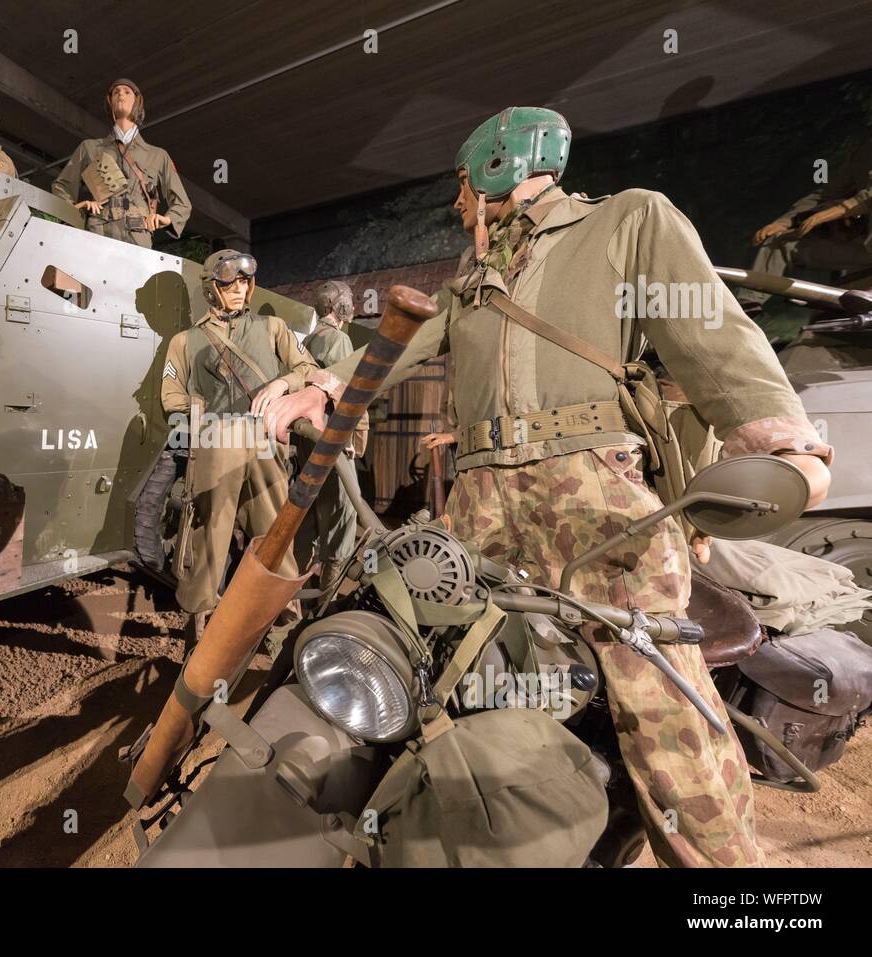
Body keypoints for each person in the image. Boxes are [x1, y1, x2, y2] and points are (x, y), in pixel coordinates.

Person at [265, 107, 833, 868]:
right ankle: (476, 827)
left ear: (496, 165)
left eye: (464, 188)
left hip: (593, 500)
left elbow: (712, 332)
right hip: (476, 510)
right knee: (461, 678)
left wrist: (779, 436)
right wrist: (326, 386)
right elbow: (397, 348)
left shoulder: (627, 221)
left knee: (658, 705)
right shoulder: (473, 280)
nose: (460, 205)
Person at [160, 250, 331, 640]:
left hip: (264, 440)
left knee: (275, 531)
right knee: (208, 534)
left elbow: (309, 370)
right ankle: (200, 624)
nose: (238, 290)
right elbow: (170, 396)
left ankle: (279, 625)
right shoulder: (186, 341)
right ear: (211, 288)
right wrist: (203, 410)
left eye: (244, 282)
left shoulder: (273, 328)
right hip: (216, 442)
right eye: (228, 283)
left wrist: (282, 384)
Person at [51, 78, 191, 248]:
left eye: (126, 91)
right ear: (110, 102)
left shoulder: (158, 155)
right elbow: (61, 186)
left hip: (139, 235)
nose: (120, 95)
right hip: (99, 233)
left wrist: (167, 218)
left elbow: (182, 203)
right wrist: (74, 209)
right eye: (116, 93)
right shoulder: (90, 147)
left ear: (137, 100)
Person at [293, 280, 366, 589]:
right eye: (349, 300)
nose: (352, 305)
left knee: (308, 512)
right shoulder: (338, 340)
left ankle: (295, 590)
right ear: (340, 307)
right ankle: (330, 596)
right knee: (343, 512)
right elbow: (344, 396)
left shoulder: (308, 340)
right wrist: (349, 440)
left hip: (309, 438)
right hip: (332, 439)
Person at [740, 141, 872, 310]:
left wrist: (835, 211)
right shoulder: (863, 152)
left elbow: (866, 199)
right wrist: (787, 222)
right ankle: (747, 308)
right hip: (863, 251)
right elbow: (826, 194)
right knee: (780, 241)